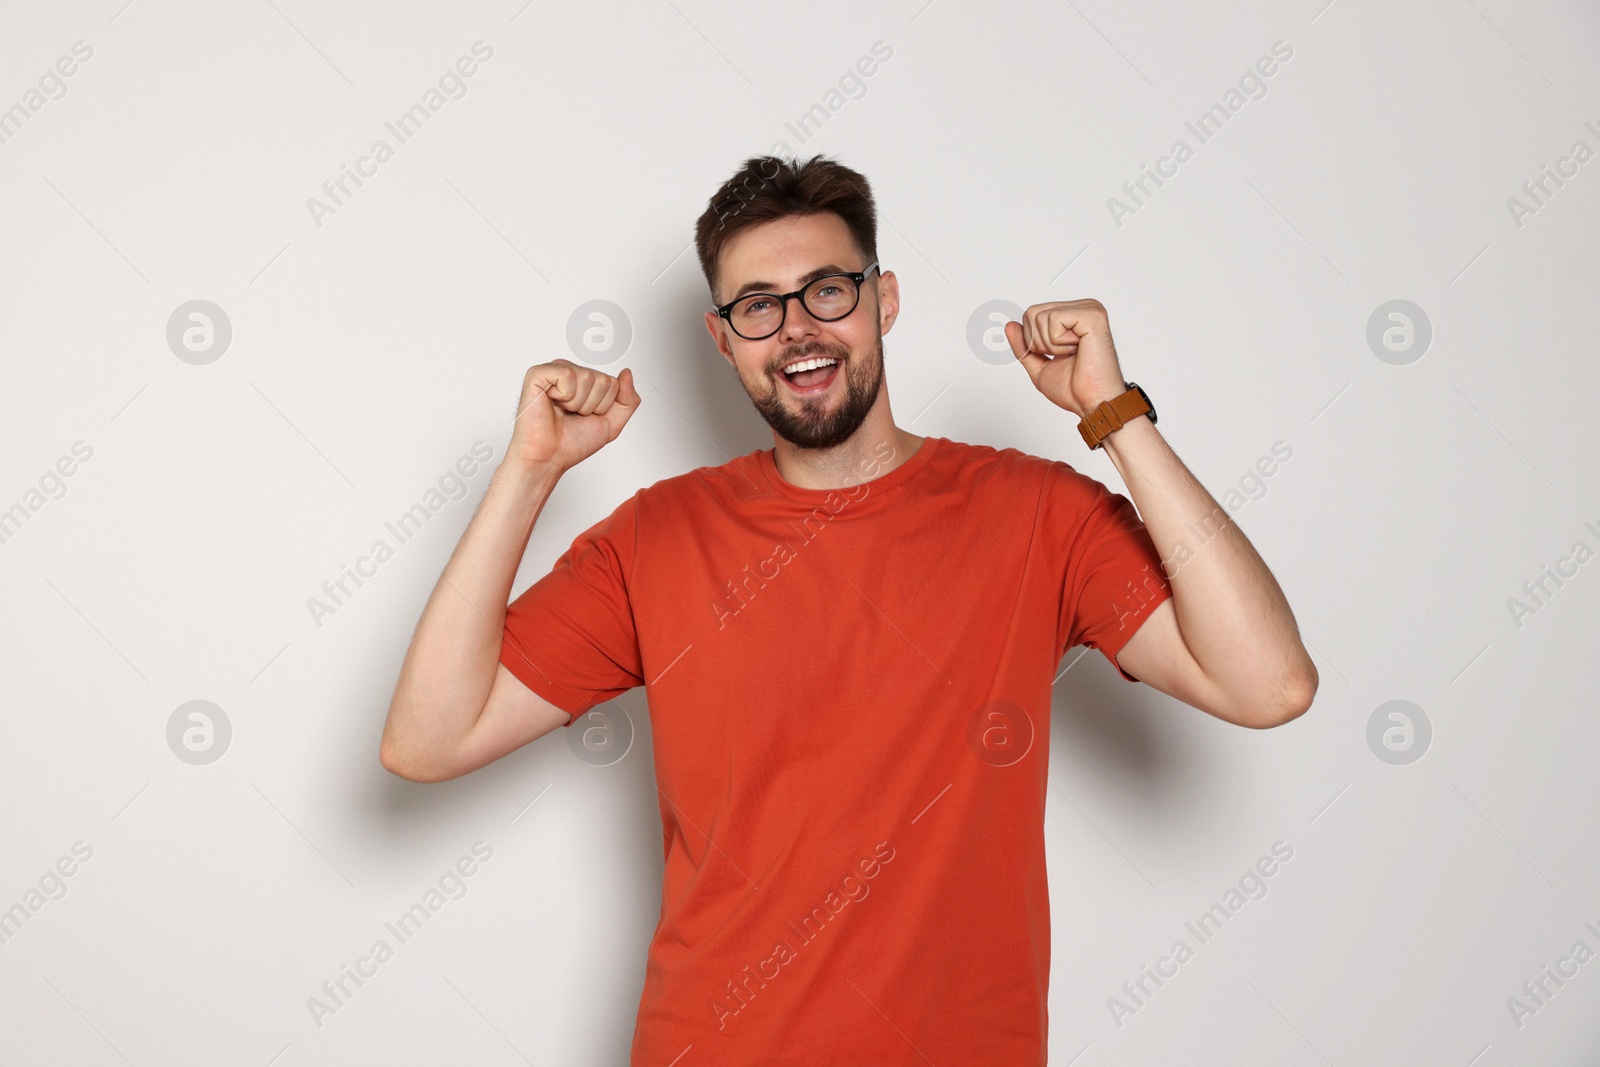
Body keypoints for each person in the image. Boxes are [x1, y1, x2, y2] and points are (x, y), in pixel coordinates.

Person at [379, 153, 1317, 1064]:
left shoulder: (1034, 513)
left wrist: (1114, 411)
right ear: (723, 339)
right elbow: (428, 740)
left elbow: (1267, 682)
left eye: (828, 289)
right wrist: (529, 471)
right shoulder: (656, 537)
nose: (797, 329)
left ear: (885, 299)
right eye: (759, 307)